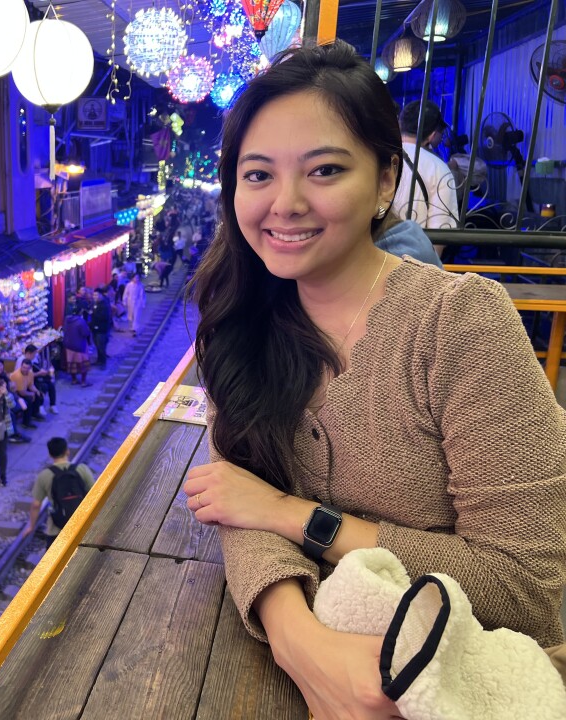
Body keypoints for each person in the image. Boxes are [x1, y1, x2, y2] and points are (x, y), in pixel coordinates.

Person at [184, 40, 566, 720]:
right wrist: (298, 641)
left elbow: (523, 585)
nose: (286, 203)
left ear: (384, 181)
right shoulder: (243, 321)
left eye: (324, 170)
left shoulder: (460, 324)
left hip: (471, 682)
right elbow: (234, 501)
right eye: (258, 174)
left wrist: (293, 515)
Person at [392, 100, 459, 233]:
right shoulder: (439, 168)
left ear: (400, 125)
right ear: (432, 135)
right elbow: (441, 232)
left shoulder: (379, 155)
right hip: (413, 251)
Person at [23, 437, 94, 542]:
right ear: (67, 451)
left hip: (56, 529)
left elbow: (36, 505)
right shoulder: (82, 469)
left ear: (50, 455)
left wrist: (31, 526)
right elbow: (95, 494)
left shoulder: (45, 475)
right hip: (82, 524)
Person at [9, 358, 45, 429]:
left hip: (24, 389)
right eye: (23, 367)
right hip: (16, 393)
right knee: (28, 400)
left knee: (38, 394)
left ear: (30, 368)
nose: (25, 369)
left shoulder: (30, 373)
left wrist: (36, 391)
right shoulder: (17, 375)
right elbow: (21, 392)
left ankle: (35, 413)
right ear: (21, 366)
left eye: (27, 368)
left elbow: (31, 385)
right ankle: (26, 422)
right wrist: (32, 394)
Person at [23, 344, 58, 415]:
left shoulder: (33, 359)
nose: (35, 355)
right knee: (43, 386)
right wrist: (39, 373)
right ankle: (40, 405)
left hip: (35, 378)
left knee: (51, 384)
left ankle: (52, 405)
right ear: (28, 353)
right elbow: (25, 376)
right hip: (27, 382)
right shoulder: (22, 361)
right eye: (34, 354)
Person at [63, 310, 93, 386]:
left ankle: (74, 380)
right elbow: (85, 333)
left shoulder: (66, 320)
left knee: (71, 363)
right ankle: (83, 382)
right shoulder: (81, 321)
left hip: (69, 345)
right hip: (80, 345)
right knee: (83, 363)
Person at [90, 287, 112, 369]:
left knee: (101, 346)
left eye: (96, 295)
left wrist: (93, 314)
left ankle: (103, 363)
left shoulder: (104, 305)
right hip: (95, 328)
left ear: (101, 295)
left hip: (102, 329)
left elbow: (104, 317)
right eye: (94, 295)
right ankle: (99, 360)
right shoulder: (95, 303)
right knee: (97, 345)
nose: (94, 296)